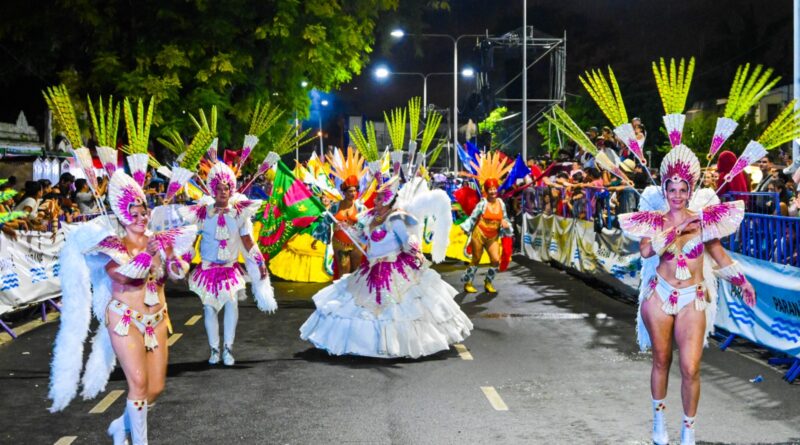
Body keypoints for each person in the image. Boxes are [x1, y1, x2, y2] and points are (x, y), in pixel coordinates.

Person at [49, 156, 197, 445]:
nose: (143, 218)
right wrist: (147, 255)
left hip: (158, 320)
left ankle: (122, 425)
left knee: (155, 388)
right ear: (122, 215)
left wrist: (171, 258)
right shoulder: (112, 245)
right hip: (125, 321)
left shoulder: (161, 239)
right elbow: (126, 277)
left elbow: (178, 273)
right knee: (138, 384)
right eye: (136, 213)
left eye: (145, 212)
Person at [619, 145, 756, 445]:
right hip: (659, 296)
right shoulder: (655, 219)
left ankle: (688, 431)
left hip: (692, 299)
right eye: (672, 189)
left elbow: (720, 256)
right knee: (661, 360)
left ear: (690, 189)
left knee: (691, 367)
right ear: (665, 190)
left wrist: (742, 281)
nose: (677, 195)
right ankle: (658, 422)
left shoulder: (704, 220)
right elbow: (645, 251)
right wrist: (678, 227)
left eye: (683, 189)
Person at [300, 174, 472, 358]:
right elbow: (363, 238)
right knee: (361, 307)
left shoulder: (395, 219)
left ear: (389, 200)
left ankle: (398, 345)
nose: (376, 200)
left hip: (394, 270)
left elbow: (407, 240)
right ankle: (367, 345)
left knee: (396, 309)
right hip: (371, 270)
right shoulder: (370, 217)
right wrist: (345, 230)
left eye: (381, 197)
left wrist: (416, 253)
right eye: (377, 197)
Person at [182, 161, 276, 366]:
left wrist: (260, 263)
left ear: (231, 190)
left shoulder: (240, 213)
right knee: (209, 309)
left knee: (231, 305)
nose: (223, 192)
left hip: (230, 270)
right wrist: (183, 264)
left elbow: (248, 241)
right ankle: (214, 349)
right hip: (207, 270)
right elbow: (192, 241)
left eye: (226, 188)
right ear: (213, 190)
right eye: (219, 188)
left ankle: (228, 349)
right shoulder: (202, 213)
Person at [460, 152, 513, 294]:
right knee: (476, 259)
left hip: (493, 236)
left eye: (495, 189)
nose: (493, 191)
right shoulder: (482, 204)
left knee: (496, 260)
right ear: (486, 191)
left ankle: (488, 282)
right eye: (490, 189)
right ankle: (468, 282)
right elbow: (472, 217)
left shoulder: (501, 203)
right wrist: (466, 228)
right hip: (480, 233)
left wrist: (505, 222)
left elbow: (505, 217)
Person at [311, 147, 366, 278]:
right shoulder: (335, 207)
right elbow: (326, 221)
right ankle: (343, 297)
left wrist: (352, 227)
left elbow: (366, 223)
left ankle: (354, 297)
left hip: (357, 243)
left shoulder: (360, 207)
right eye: (349, 191)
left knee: (356, 272)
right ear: (344, 192)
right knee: (344, 271)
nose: (352, 194)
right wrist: (316, 240)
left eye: (354, 191)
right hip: (339, 243)